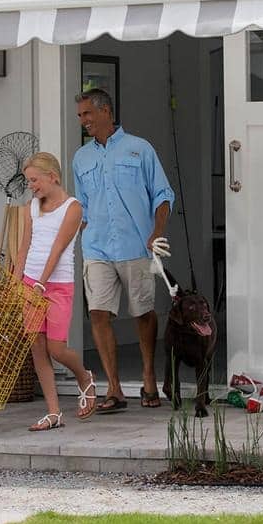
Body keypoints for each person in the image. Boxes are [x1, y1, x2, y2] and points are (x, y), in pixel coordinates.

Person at [73, 88, 174, 413]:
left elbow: (163, 194)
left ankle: (148, 377)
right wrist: (84, 230)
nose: (83, 121)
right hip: (97, 248)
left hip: (136, 245)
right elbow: (82, 205)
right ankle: (114, 388)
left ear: (106, 112)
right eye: (80, 116)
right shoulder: (81, 157)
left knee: (143, 313)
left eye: (87, 114)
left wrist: (156, 232)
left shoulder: (139, 149)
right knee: (98, 313)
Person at [14, 152, 97, 431]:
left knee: (56, 348)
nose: (32, 186)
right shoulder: (31, 207)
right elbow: (25, 246)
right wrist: (17, 281)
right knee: (37, 347)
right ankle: (53, 412)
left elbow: (58, 248)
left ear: (52, 176)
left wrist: (42, 281)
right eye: (29, 182)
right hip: (30, 284)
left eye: (35, 180)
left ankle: (84, 377)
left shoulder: (72, 208)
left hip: (57, 286)